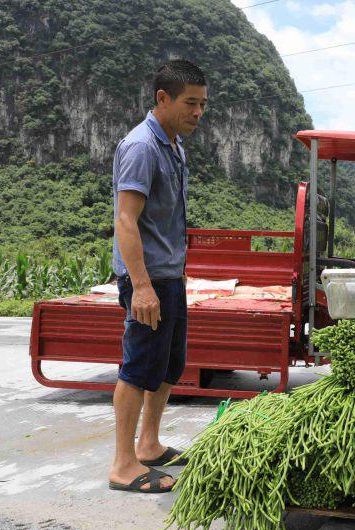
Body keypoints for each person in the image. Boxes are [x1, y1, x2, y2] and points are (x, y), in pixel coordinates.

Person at [107, 59, 207, 493]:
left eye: (203, 105)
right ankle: (123, 464)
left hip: (169, 275)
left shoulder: (174, 146)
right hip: (147, 278)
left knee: (170, 365)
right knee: (139, 367)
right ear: (162, 98)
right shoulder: (142, 147)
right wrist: (142, 286)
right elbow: (126, 221)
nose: (198, 113)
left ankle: (149, 444)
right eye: (190, 103)